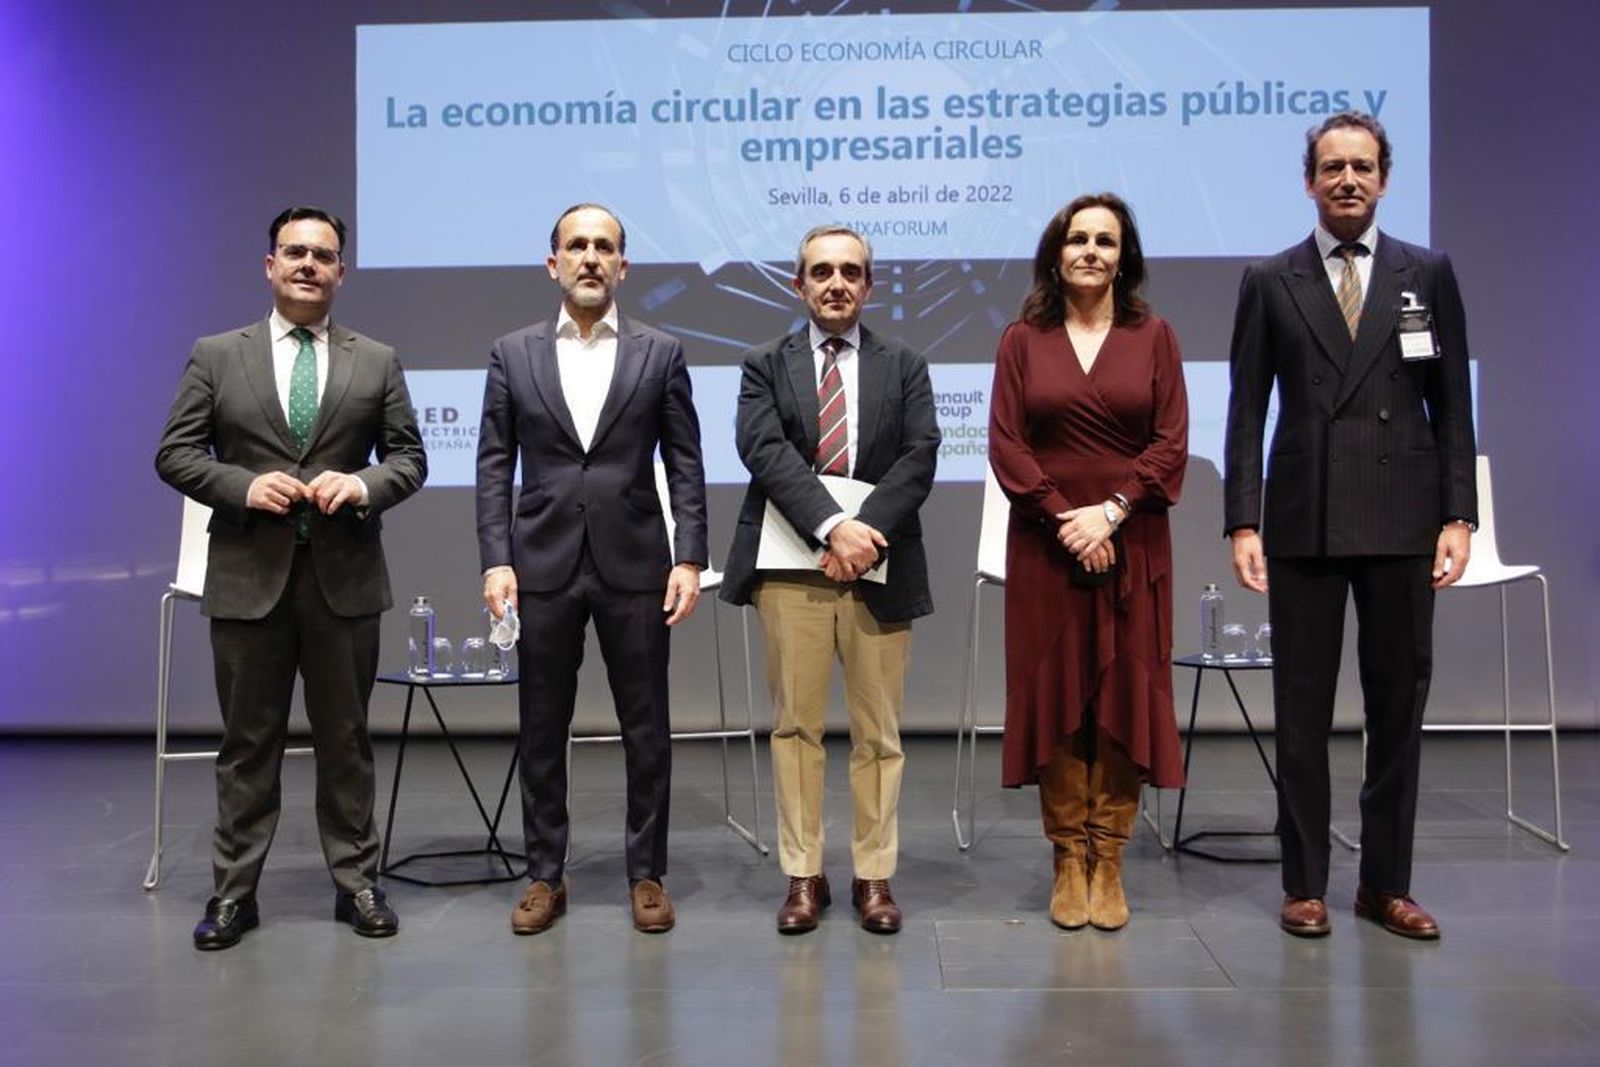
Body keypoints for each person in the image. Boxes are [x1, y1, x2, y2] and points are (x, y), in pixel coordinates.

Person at [1223, 112, 1477, 940]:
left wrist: (1458, 513)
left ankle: (1385, 884)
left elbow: (1453, 407)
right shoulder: (1271, 279)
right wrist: (1243, 521)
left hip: (1403, 520)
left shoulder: (1425, 274)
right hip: (1304, 523)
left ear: (1385, 178)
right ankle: (1305, 883)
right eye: (1332, 167)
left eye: (1362, 167)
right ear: (1309, 181)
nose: (1348, 181)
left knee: (1397, 709)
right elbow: (1245, 410)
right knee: (1300, 710)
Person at [156, 205, 426, 949]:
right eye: (294, 251)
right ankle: (234, 892)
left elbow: (409, 458)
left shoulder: (377, 359)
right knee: (248, 744)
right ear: (269, 265)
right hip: (249, 576)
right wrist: (242, 486)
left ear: (342, 271)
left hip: (344, 577)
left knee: (346, 741)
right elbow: (175, 452)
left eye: (324, 254)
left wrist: (364, 484)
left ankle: (358, 884)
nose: (309, 264)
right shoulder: (217, 354)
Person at [476, 203, 707, 936]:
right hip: (540, 565)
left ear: (623, 265)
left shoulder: (660, 351)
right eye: (576, 246)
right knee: (541, 728)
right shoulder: (511, 353)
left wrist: (690, 555)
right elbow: (492, 468)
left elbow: (686, 464)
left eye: (604, 247)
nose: (589, 258)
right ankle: (546, 872)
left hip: (636, 562)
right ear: (553, 263)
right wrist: (494, 561)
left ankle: (647, 872)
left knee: (648, 728)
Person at [721, 224, 939, 935]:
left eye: (850, 271)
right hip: (793, 569)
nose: (836, 282)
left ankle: (874, 875)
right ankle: (803, 873)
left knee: (879, 733)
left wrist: (862, 534)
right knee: (796, 728)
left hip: (880, 564)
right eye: (821, 271)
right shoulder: (763, 362)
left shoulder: (904, 362)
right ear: (799, 284)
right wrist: (830, 527)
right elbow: (763, 448)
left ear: (869, 286)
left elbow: (921, 454)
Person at [988, 193, 1189, 932]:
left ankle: (1110, 859)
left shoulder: (1155, 334)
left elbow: (1170, 440)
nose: (1091, 251)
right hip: (1047, 544)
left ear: (1124, 256)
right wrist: (1063, 515)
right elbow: (1006, 442)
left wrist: (1110, 511)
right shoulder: (1021, 338)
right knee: (1059, 702)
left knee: (1123, 698)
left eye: (1107, 240)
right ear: (1056, 250)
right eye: (1079, 238)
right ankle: (1067, 857)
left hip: (1132, 541)